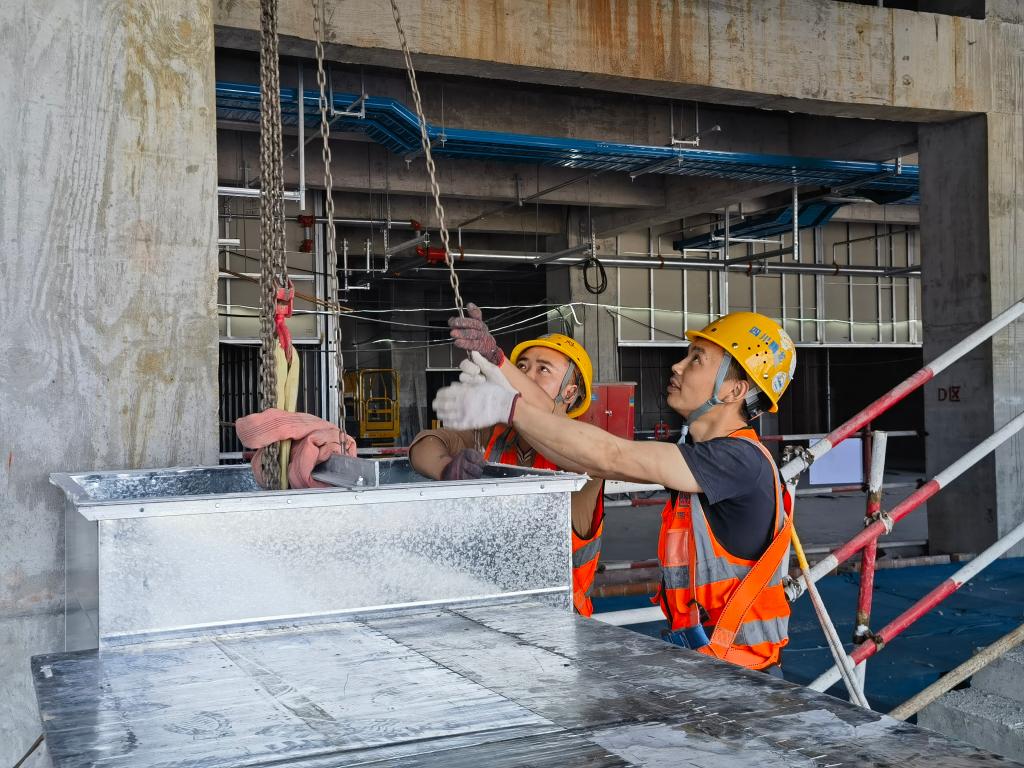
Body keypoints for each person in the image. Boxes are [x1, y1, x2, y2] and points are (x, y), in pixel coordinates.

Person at [433, 311, 796, 675]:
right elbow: (579, 452)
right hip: (713, 665)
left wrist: (506, 406)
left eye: (697, 358)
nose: (678, 366)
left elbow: (609, 454)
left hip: (745, 679)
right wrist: (497, 364)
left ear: (734, 390)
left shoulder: (738, 460)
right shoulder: (710, 458)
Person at [409, 304, 605, 616]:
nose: (526, 375)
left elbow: (544, 414)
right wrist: (446, 468)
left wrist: (498, 364)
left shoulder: (588, 446)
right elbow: (425, 445)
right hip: (491, 613)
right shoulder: (492, 435)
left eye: (543, 369)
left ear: (570, 393)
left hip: (562, 620)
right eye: (522, 367)